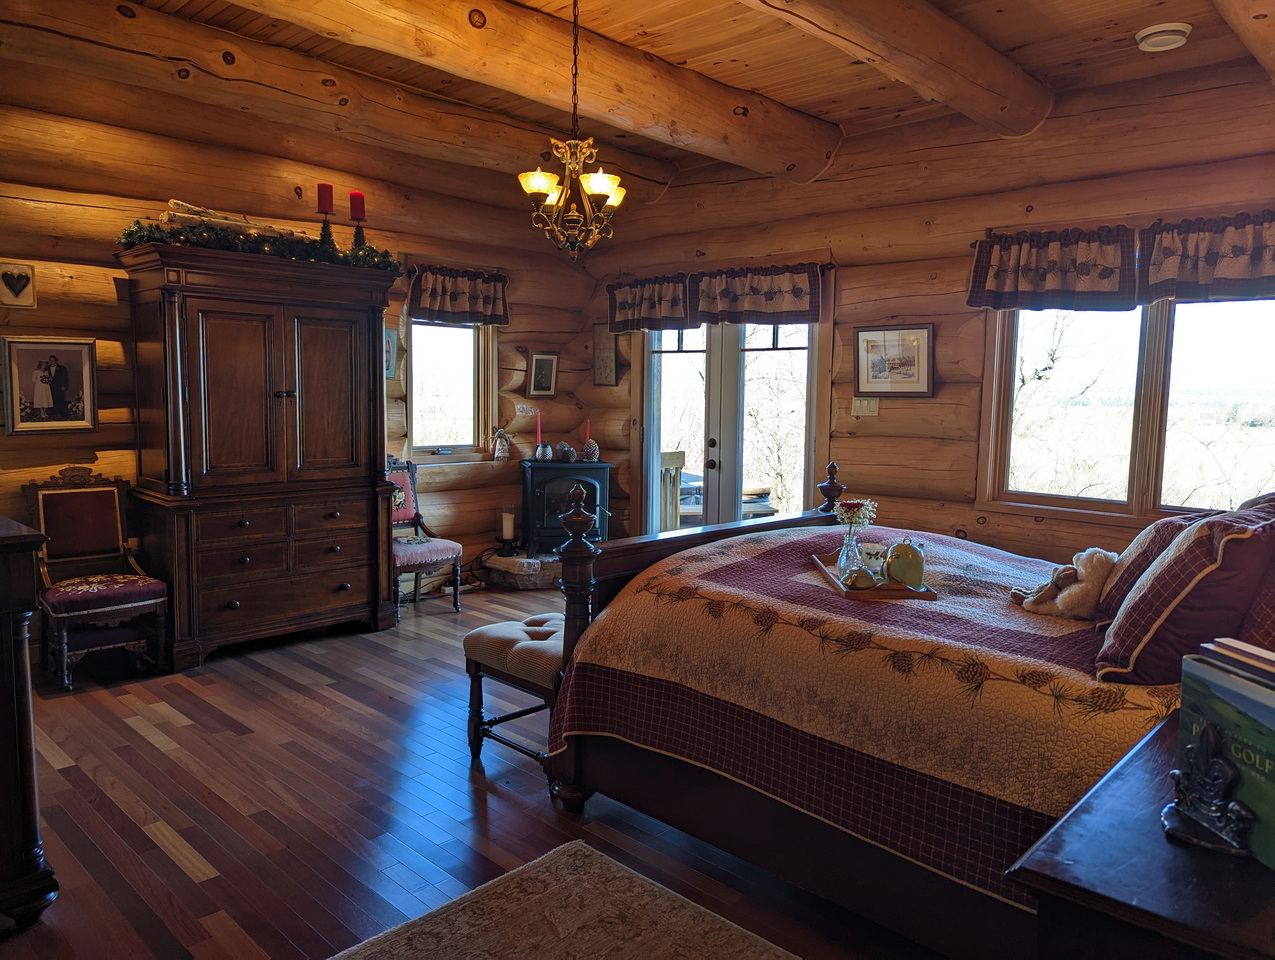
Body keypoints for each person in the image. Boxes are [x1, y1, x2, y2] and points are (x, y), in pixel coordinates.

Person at [47, 354, 69, 418]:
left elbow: (65, 377)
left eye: (53, 360)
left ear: (56, 360)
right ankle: (52, 412)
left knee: (60, 399)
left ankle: (62, 413)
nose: (52, 362)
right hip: (50, 387)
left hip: (60, 387)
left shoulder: (62, 368)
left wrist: (64, 385)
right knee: (51, 399)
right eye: (51, 360)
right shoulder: (46, 368)